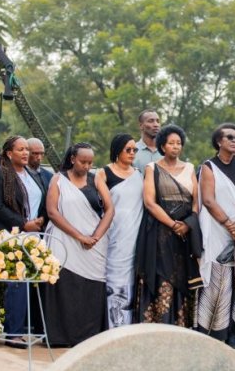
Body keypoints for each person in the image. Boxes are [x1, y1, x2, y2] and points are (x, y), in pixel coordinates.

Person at [44, 143, 114, 346]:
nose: (87, 166)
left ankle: (90, 335)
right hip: (65, 242)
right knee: (65, 288)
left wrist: (96, 236)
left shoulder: (96, 179)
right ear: (73, 159)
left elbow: (110, 209)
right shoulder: (58, 180)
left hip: (94, 245)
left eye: (90, 163)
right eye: (83, 162)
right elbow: (52, 212)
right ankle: (61, 337)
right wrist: (79, 236)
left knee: (91, 288)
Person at [197, 123, 235, 347]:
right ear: (218, 142)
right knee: (218, 281)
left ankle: (234, 331)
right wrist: (231, 227)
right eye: (230, 137)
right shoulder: (209, 167)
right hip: (217, 229)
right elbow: (208, 200)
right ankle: (213, 332)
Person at [0, 136, 47, 348]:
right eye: (20, 149)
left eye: (27, 149)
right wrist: (23, 224)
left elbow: (38, 203)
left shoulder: (32, 175)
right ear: (9, 153)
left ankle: (36, 329)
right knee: (17, 283)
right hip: (9, 236)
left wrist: (39, 220)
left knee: (31, 283)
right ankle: (13, 333)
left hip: (32, 236)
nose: (25, 153)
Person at [135, 125, 199, 327]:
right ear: (162, 146)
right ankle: (158, 325)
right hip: (160, 232)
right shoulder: (152, 168)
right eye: (171, 143)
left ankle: (181, 326)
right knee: (162, 275)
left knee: (183, 277)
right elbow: (150, 202)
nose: (176, 146)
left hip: (185, 233)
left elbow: (196, 203)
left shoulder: (190, 168)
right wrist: (172, 224)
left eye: (179, 143)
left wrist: (187, 224)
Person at [97, 134, 144, 328]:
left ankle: (128, 326)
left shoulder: (139, 174)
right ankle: (111, 325)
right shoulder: (104, 173)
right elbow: (104, 206)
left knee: (132, 279)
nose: (132, 153)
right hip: (114, 233)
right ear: (117, 150)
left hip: (136, 233)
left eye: (135, 150)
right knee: (113, 277)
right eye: (128, 149)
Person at [133, 109, 162, 174]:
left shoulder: (166, 151)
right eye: (151, 121)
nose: (156, 124)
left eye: (158, 121)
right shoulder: (132, 151)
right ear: (141, 126)